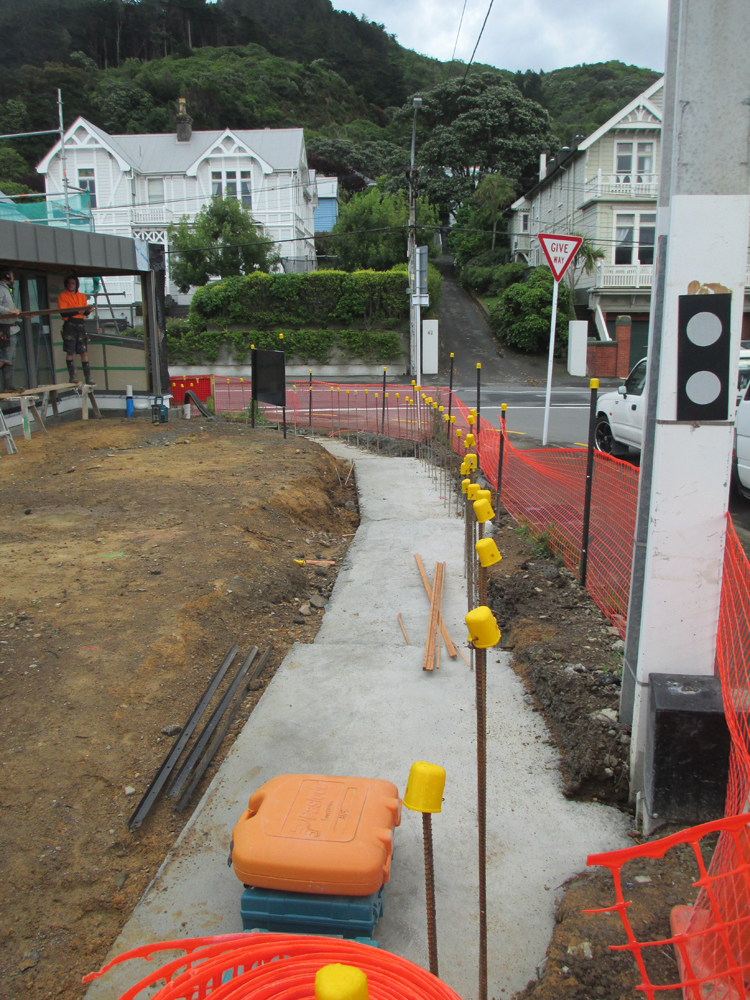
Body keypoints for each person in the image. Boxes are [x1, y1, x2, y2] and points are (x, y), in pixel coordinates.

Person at [58, 273, 94, 384]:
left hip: (80, 325)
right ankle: (72, 376)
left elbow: (84, 312)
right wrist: (79, 311)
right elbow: (63, 312)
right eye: (68, 283)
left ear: (76, 284)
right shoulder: (63, 296)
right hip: (69, 324)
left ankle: (88, 377)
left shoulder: (82, 296)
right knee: (70, 351)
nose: (70, 285)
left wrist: (88, 310)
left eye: (73, 283)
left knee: (83, 351)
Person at [0, 267, 21, 393]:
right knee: (5, 358)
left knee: (9, 358)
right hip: (4, 328)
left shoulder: (8, 290)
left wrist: (21, 314)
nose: (13, 278)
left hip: (10, 328)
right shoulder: (1, 289)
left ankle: (8, 385)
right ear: (7, 276)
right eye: (12, 275)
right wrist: (10, 311)